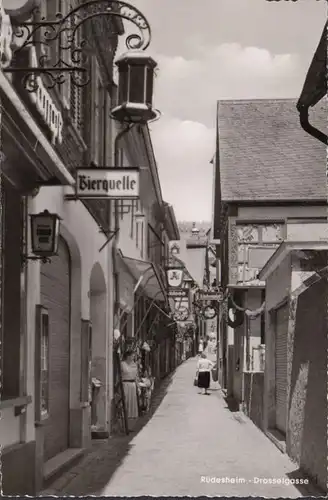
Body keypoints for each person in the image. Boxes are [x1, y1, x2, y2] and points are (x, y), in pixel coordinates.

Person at [121, 350, 139, 431]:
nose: (133, 357)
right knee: (125, 403)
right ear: (128, 356)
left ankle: (130, 425)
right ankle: (124, 425)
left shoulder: (134, 365)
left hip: (132, 385)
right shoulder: (122, 364)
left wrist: (138, 387)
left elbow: (136, 377)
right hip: (125, 384)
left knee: (132, 404)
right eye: (132, 355)